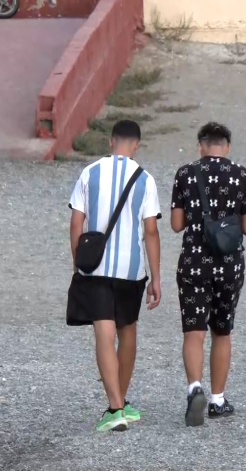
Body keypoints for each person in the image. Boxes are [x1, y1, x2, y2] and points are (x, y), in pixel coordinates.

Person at [66, 119, 162, 432]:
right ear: (136, 145)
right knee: (128, 332)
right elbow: (151, 231)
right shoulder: (145, 179)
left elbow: (76, 223)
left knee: (104, 334)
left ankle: (115, 406)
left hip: (96, 268)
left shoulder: (89, 172)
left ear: (110, 142)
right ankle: (121, 401)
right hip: (132, 270)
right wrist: (156, 278)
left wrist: (77, 261)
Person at [170, 122, 246, 427]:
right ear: (227, 146)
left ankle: (195, 388)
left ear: (201, 145)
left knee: (194, 332)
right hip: (229, 265)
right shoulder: (243, 175)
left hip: (194, 262)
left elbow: (176, 224)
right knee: (222, 331)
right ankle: (217, 401)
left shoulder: (185, 173)